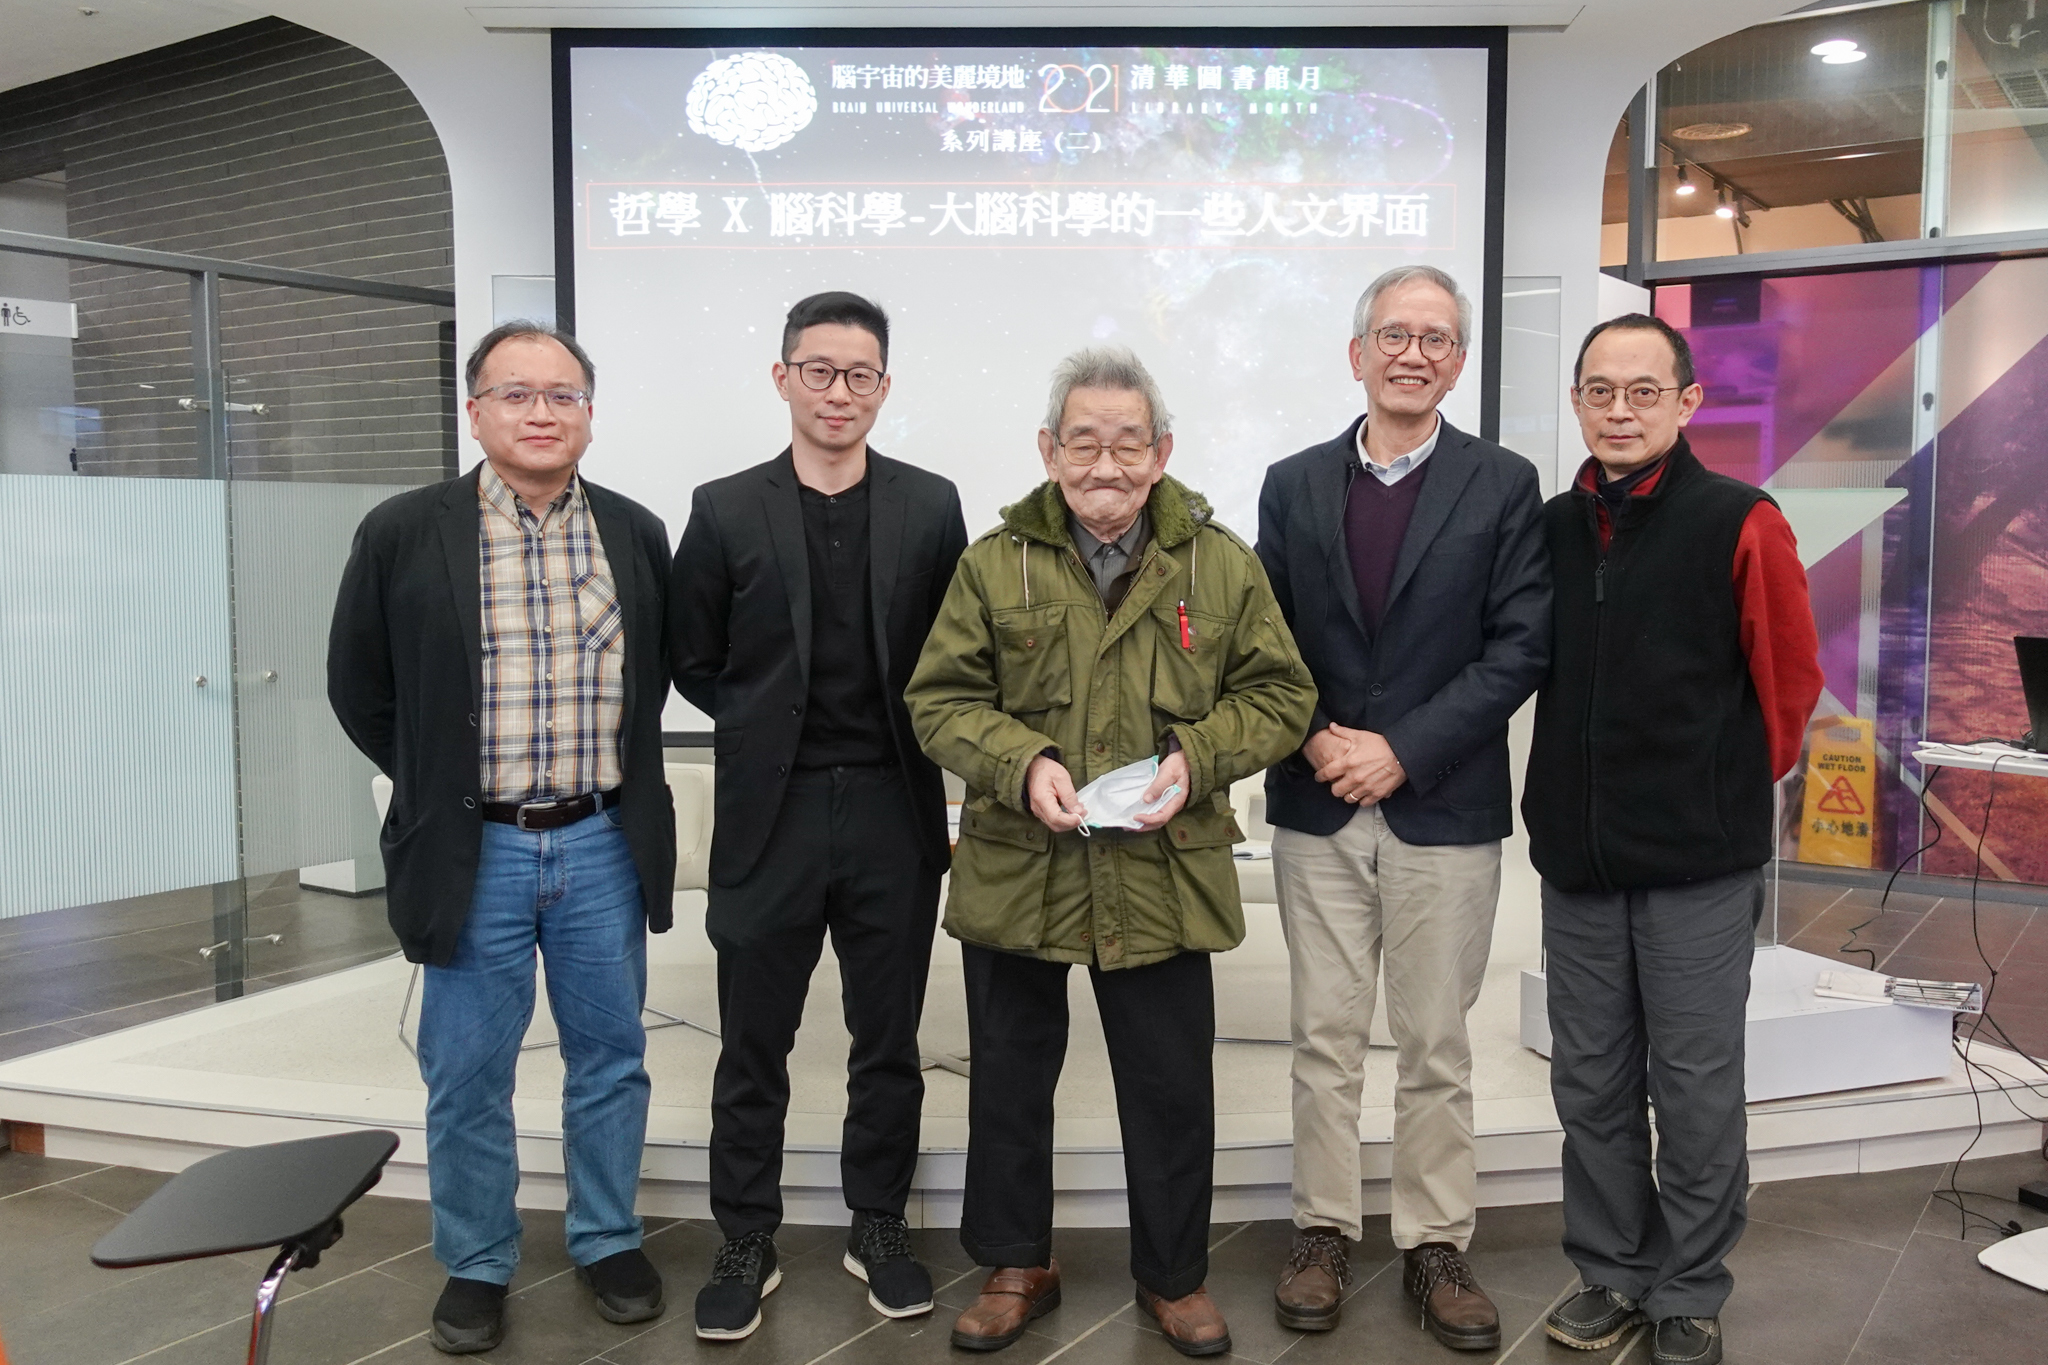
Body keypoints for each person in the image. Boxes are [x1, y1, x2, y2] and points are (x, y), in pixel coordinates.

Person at [905, 346, 1315, 1358]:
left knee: (1169, 1082)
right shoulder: (992, 560)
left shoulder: (1215, 561)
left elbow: (1281, 695)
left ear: (1161, 450)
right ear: (1048, 451)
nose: (1105, 463)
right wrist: (1021, 760)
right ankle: (1015, 1263)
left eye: (1127, 442)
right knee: (1007, 1074)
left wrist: (1197, 754)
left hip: (1160, 862)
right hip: (1020, 859)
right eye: (1081, 441)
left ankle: (1172, 1277)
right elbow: (939, 701)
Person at [328, 322, 677, 1354]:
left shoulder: (634, 531)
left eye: (561, 396)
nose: (540, 413)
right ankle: (476, 1262)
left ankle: (607, 1238)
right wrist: (438, 778)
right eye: (515, 394)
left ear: (588, 414)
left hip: (600, 840)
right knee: (467, 1071)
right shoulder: (404, 531)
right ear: (473, 409)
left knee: (610, 1056)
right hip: (470, 846)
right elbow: (360, 686)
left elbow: (650, 683)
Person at [1254, 265, 1552, 1350]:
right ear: (1357, 353)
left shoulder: (1502, 484)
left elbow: (1519, 644)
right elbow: (1264, 638)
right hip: (1317, 800)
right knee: (1321, 1039)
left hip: (1442, 805)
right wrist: (1318, 738)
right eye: (1394, 335)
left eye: (1435, 338)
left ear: (1457, 361)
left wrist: (1402, 749)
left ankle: (1433, 1242)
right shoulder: (1289, 484)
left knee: (1434, 1045)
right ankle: (1323, 1233)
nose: (1413, 353)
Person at [669, 292, 968, 1341]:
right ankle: (744, 1239)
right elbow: (694, 660)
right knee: (754, 1042)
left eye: (859, 375)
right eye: (819, 370)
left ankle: (876, 1224)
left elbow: (951, 658)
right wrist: (767, 733)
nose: (838, 392)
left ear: (883, 388)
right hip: (770, 813)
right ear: (782, 377)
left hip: (893, 806)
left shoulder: (930, 507)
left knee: (885, 1041)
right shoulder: (722, 508)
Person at [1525, 314, 1821, 1365]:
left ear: (1686, 403)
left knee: (1693, 1089)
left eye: (1641, 391)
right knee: (1590, 1085)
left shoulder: (1739, 519)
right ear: (1575, 402)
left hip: (1697, 864)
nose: (1618, 409)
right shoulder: (1551, 529)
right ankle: (1610, 1271)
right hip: (1579, 862)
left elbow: (1787, 686)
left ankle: (1687, 1288)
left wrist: (1720, 794)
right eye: (1598, 390)